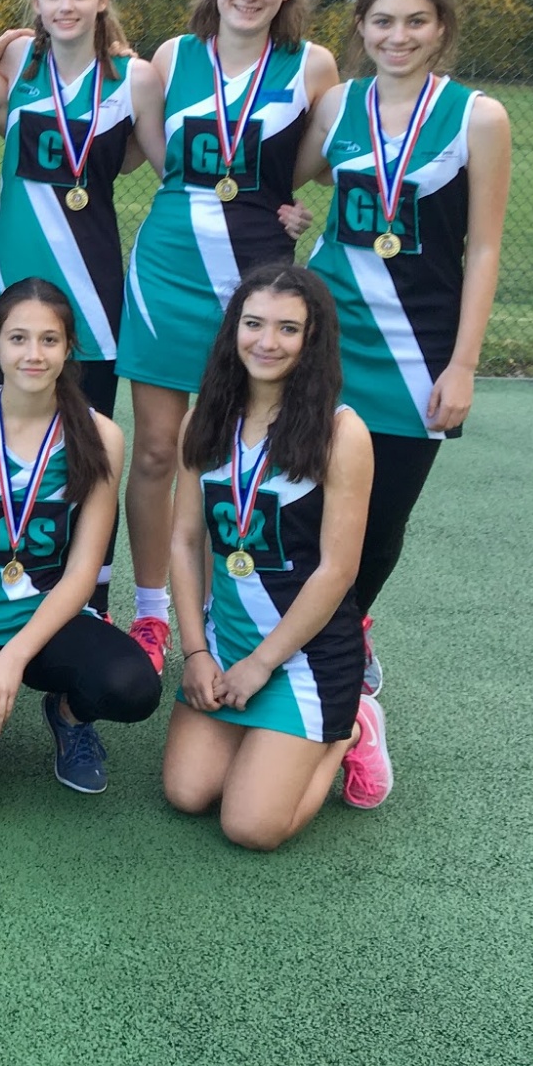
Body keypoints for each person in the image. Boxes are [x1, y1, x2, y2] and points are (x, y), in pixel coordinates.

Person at [116, 0, 336, 673]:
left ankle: (223, 610)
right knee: (153, 452)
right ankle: (151, 614)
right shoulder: (173, 57)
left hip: (256, 283)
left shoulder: (312, 65)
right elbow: (158, 158)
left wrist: (286, 205)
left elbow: (306, 164)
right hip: (167, 272)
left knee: (236, 458)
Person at [300, 0, 510, 708]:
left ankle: (349, 628)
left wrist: (464, 365)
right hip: (324, 336)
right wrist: (295, 214)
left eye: (416, 21)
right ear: (361, 27)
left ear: (441, 28)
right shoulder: (337, 104)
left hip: (418, 347)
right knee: (301, 499)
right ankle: (294, 630)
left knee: (381, 520)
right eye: (383, 21)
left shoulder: (478, 116)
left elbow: (483, 248)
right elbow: (298, 178)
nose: (398, 36)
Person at [0, 279, 156, 821]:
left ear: (69, 348)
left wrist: (13, 660)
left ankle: (68, 714)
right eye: (18, 338)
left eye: (49, 340)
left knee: (133, 686)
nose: (33, 354)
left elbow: (82, 573)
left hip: (49, 622)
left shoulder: (100, 436)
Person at [160, 264, 385, 850]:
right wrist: (195, 651)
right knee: (187, 793)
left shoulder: (342, 434)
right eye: (253, 323)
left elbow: (338, 570)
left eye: (288, 329)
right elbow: (185, 540)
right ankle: (263, 740)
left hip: (303, 653)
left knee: (251, 826)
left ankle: (349, 730)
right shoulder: (203, 420)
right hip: (226, 640)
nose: (266, 342)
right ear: (233, 329)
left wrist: (261, 665)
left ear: (313, 339)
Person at [0, 0, 145, 621]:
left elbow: (160, 161)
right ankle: (3, 584)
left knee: (88, 447)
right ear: (35, 4)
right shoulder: (16, 60)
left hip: (93, 281)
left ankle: (90, 598)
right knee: (8, 440)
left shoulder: (137, 77)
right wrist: (4, 39)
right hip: (10, 275)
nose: (66, 5)